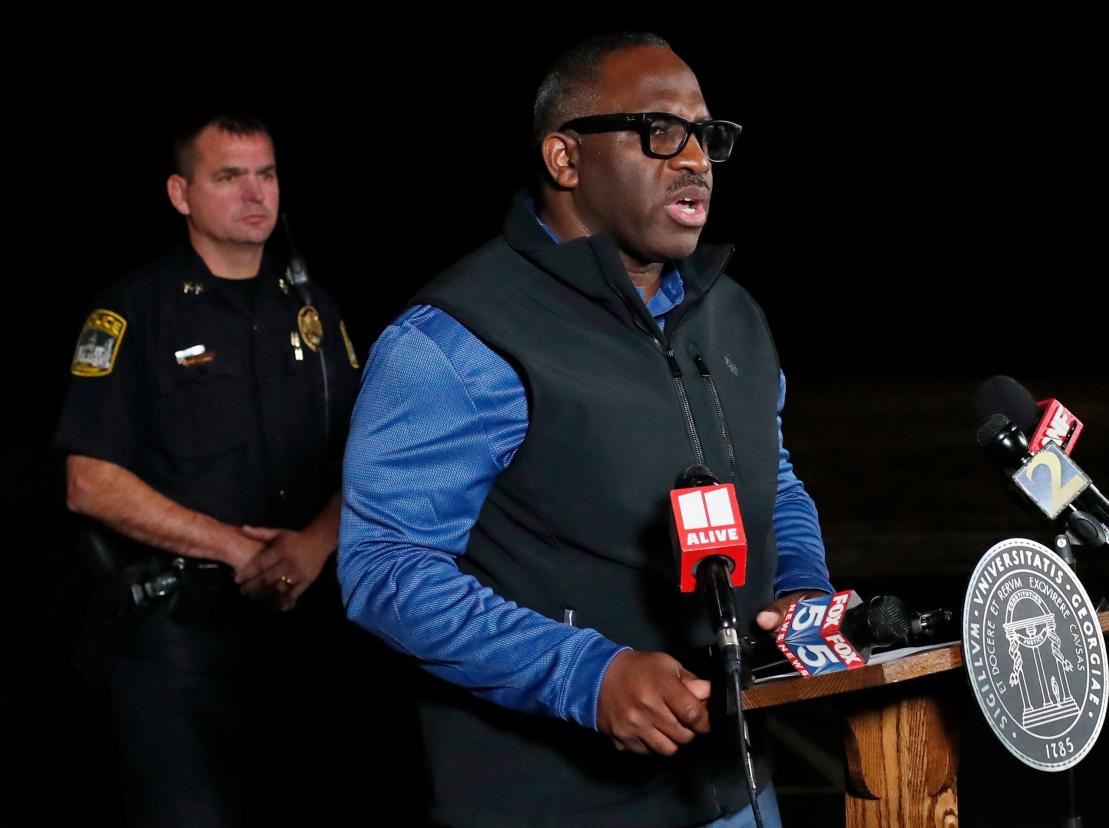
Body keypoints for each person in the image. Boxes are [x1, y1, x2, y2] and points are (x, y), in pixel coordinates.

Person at [339, 33, 832, 827]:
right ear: (565, 159)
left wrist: (805, 591)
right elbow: (385, 569)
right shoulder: (457, 340)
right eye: (660, 131)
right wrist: (588, 677)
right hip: (559, 804)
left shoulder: (734, 315)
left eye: (708, 136)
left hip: (740, 788)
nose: (695, 160)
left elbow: (777, 480)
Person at [54, 114, 359, 827]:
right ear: (180, 193)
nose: (256, 194)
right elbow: (88, 480)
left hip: (307, 627)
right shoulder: (133, 311)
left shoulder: (315, 309)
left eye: (267, 174)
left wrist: (313, 543)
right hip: (180, 639)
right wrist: (240, 550)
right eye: (229, 176)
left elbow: (371, 455)